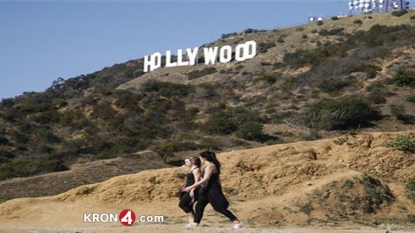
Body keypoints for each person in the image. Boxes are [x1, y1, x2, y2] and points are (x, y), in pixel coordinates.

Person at [183, 151, 243, 229]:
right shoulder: (207, 166)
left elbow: (206, 179)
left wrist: (191, 187)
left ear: (204, 159)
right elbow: (217, 179)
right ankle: (195, 224)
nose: (200, 160)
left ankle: (237, 222)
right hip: (206, 190)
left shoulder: (210, 166)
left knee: (218, 207)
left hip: (212, 190)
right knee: (199, 206)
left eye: (201, 158)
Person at [178, 156, 201, 227]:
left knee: (182, 204)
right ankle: (192, 222)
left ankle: (193, 220)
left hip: (192, 190)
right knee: (188, 205)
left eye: (187, 162)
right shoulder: (191, 169)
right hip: (187, 189)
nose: (185, 164)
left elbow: (197, 181)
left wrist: (192, 190)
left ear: (192, 162)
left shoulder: (196, 170)